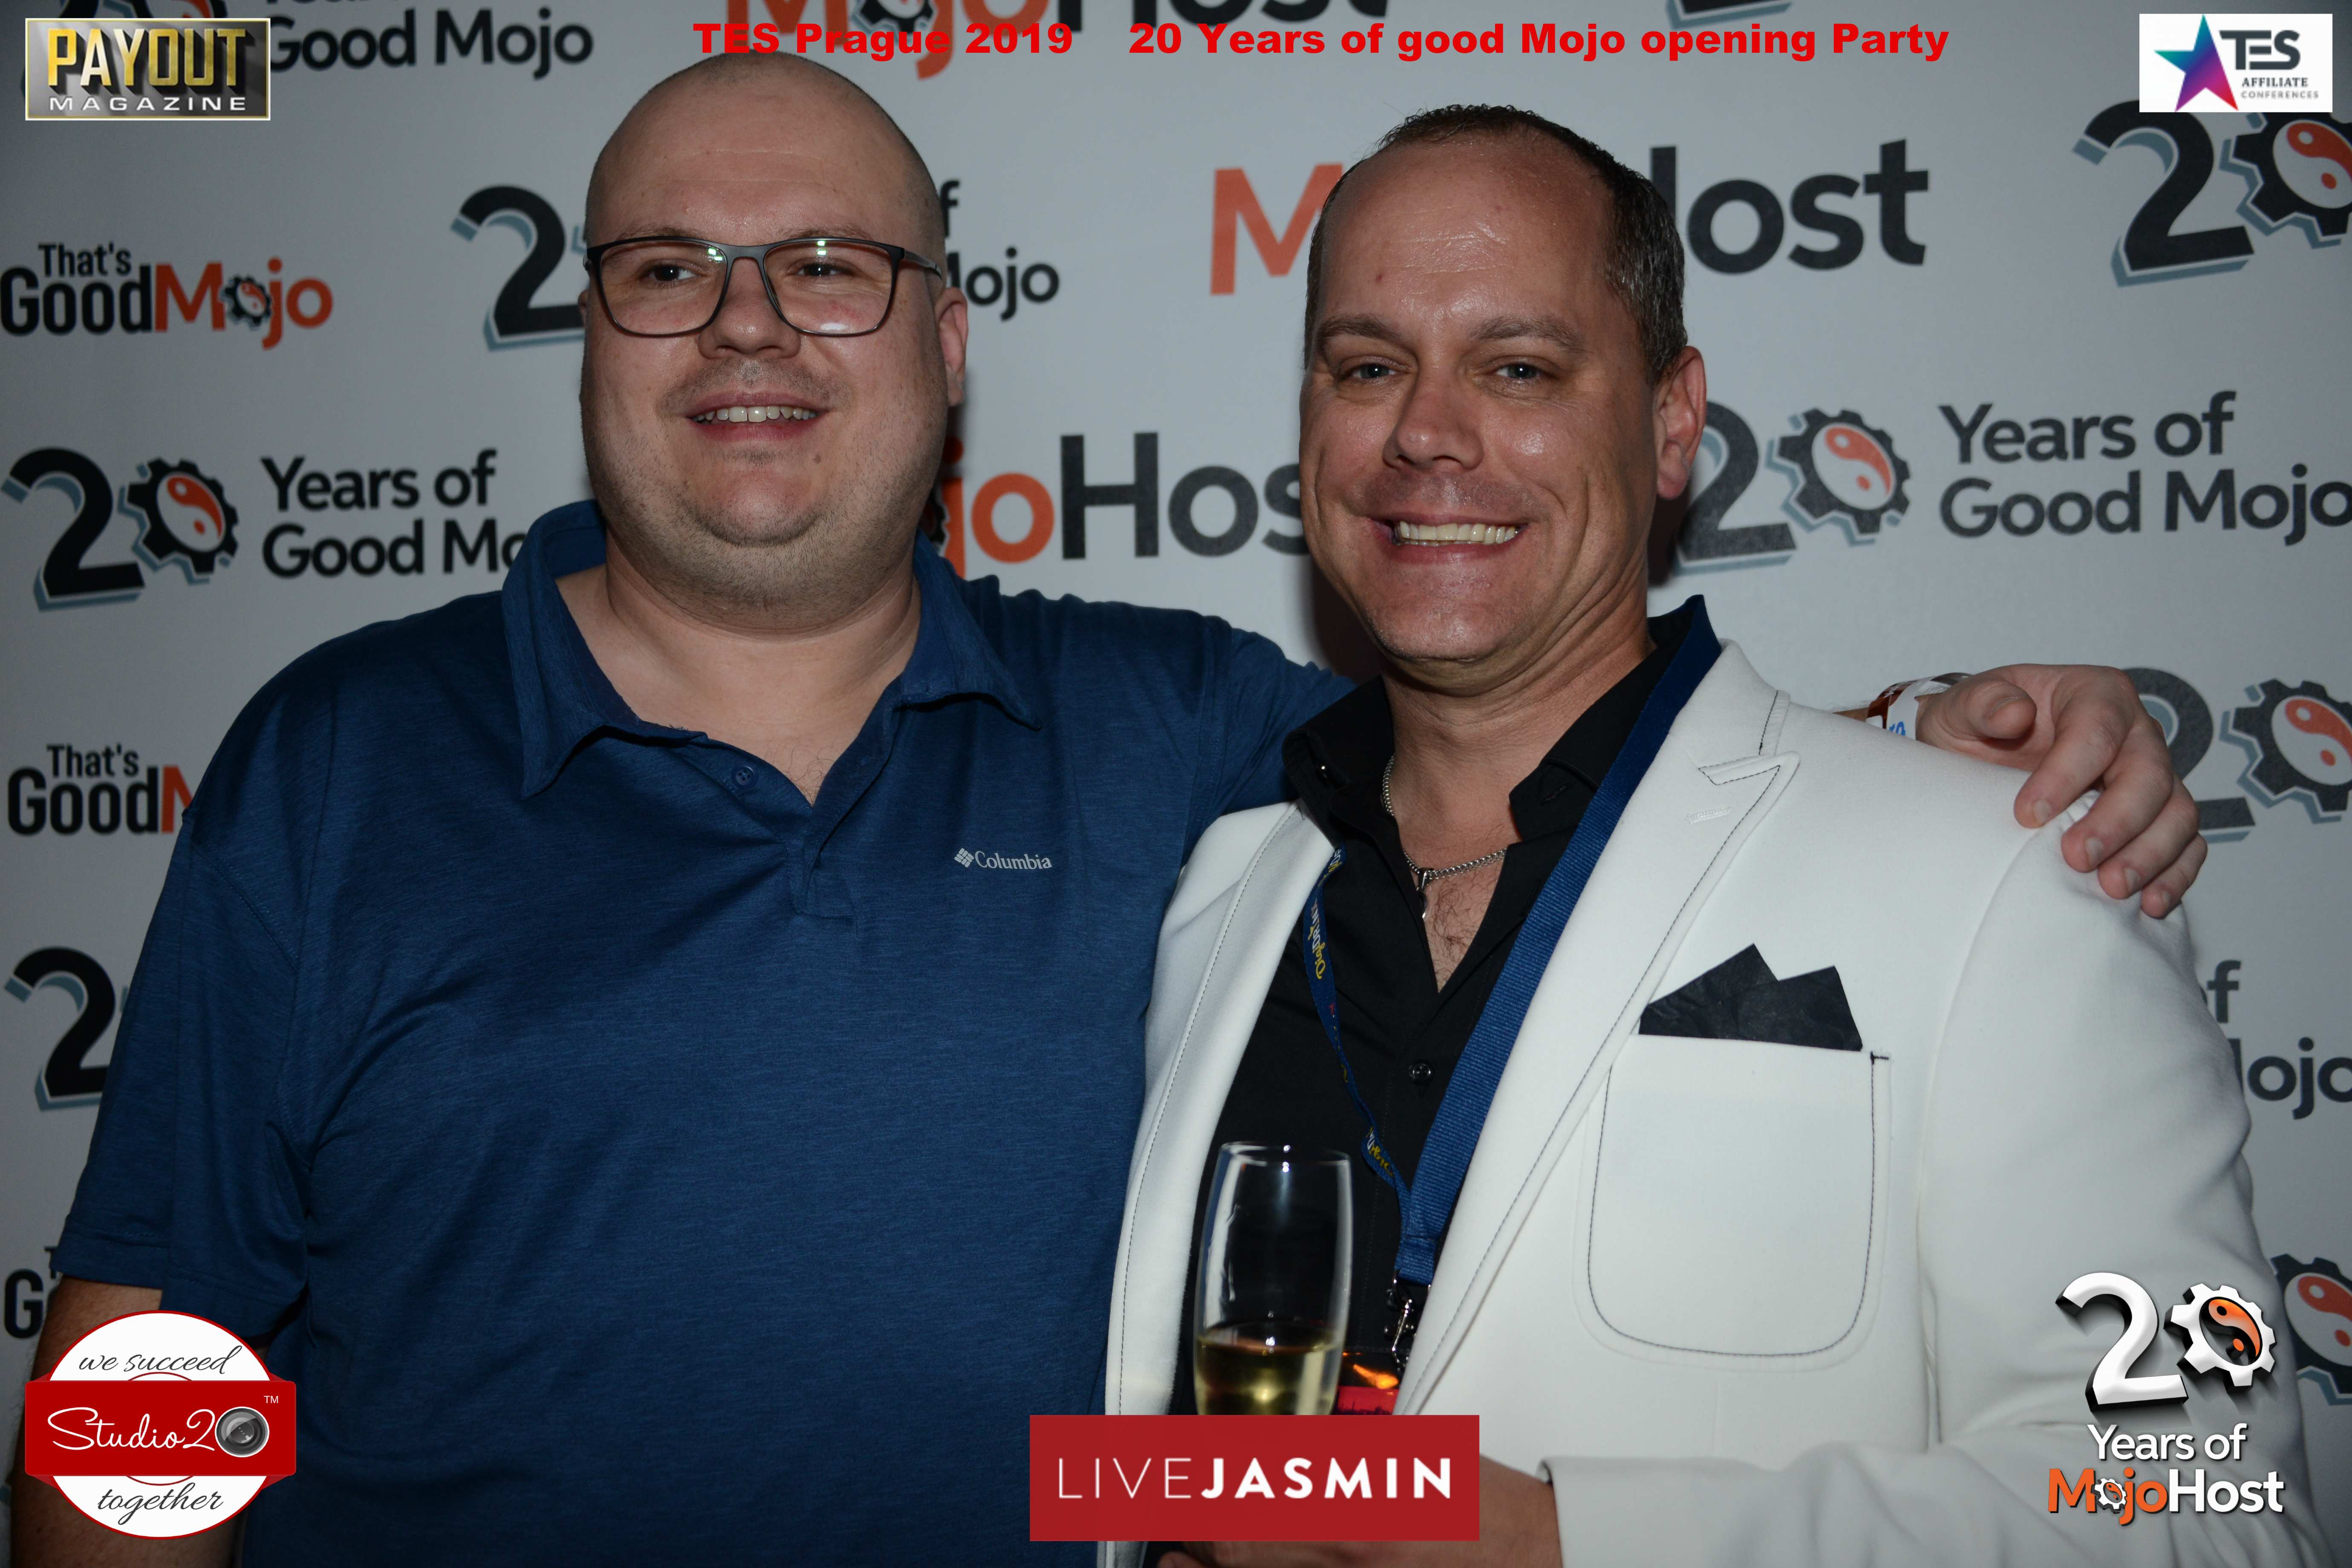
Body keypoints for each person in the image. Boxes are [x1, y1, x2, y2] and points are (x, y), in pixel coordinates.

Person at [12, 59, 2202, 1568]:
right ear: (590, 329)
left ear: (950, 341)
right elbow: (155, 1359)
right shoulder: (339, 754)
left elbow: (1581, 742)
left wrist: (1922, 737)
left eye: (831, 264)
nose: (749, 326)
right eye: (669, 267)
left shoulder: (1163, 728)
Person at [1105, 107, 2323, 1568]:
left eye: (1518, 367)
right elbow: (1145, 1453)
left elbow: (2214, 1501)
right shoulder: (1225, 891)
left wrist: (1563, 1543)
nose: (1425, 432)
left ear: (1673, 422)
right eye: (1369, 366)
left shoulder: (2015, 872)